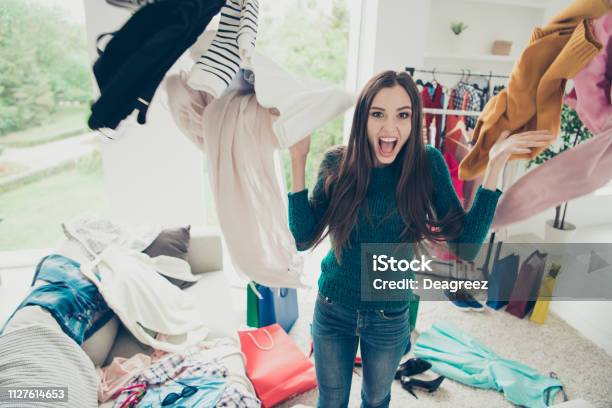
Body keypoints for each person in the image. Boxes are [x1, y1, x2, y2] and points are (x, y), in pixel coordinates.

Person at [287, 70, 554, 408]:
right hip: (333, 306)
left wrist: (495, 165)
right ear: (362, 119)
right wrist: (298, 158)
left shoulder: (427, 163)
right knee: (332, 399)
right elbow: (303, 236)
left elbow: (467, 245)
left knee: (376, 398)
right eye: (378, 114)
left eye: (403, 115)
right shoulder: (338, 163)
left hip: (389, 312)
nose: (390, 128)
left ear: (414, 121)